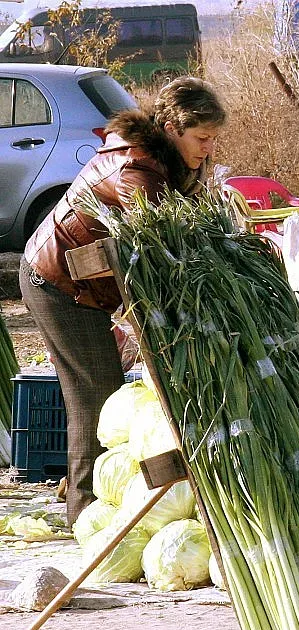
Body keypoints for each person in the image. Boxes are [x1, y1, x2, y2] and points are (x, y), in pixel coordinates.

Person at [20, 77, 226, 526]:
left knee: (105, 391)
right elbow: (158, 249)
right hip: (57, 284)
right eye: (202, 138)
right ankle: (84, 513)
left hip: (92, 285)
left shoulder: (168, 160)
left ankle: (97, 502)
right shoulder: (136, 170)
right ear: (172, 126)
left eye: (213, 139)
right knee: (96, 394)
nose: (208, 149)